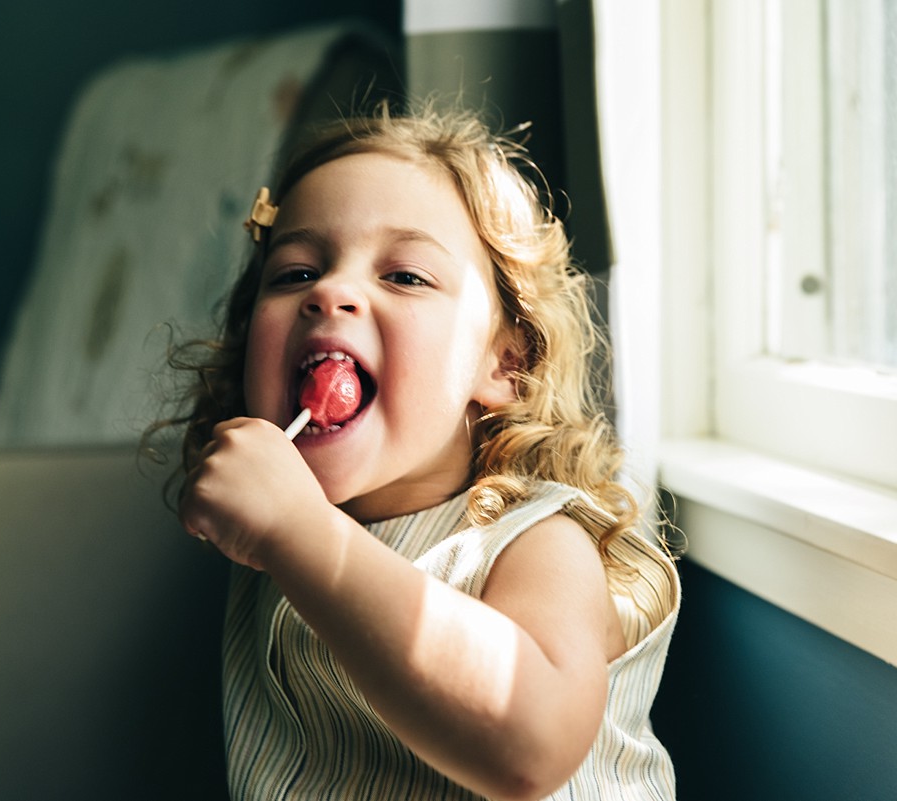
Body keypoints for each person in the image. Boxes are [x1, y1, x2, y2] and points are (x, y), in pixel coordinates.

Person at [161, 103, 680, 801]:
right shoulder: (270, 537)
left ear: (504, 365)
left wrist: (298, 534)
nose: (331, 291)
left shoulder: (537, 544)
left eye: (404, 276)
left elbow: (529, 749)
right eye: (292, 273)